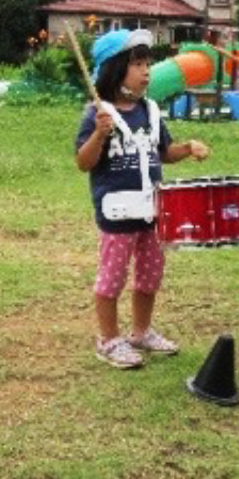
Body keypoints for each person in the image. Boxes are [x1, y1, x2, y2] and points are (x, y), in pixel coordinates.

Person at [75, 28, 210, 369]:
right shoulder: (98, 114)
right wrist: (99, 135)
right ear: (115, 69)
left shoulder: (150, 111)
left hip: (152, 212)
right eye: (137, 64)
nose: (146, 71)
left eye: (147, 64)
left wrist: (188, 148)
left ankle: (141, 331)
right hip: (117, 214)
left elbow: (164, 153)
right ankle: (108, 340)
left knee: (150, 276)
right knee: (112, 278)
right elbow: (83, 162)